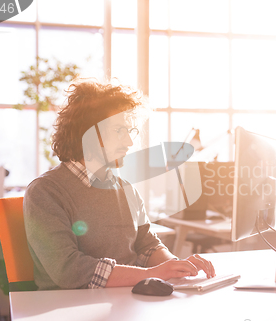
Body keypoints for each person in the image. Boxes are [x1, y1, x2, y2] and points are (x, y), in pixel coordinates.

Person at [23, 79, 215, 290]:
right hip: (68, 309)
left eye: (129, 131)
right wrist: (151, 274)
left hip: (126, 302)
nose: (129, 142)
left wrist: (177, 266)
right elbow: (68, 270)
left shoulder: (126, 189)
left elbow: (148, 245)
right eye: (118, 131)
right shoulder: (45, 192)